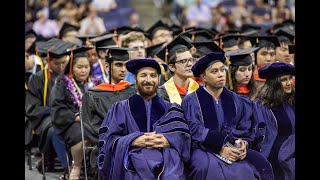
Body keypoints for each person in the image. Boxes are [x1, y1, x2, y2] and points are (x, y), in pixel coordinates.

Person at [181, 52, 274, 180]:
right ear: (204, 77)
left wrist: (243, 143)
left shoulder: (236, 99)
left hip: (233, 147)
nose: (220, 74)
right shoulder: (191, 100)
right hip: (203, 149)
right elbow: (194, 129)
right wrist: (219, 147)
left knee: (258, 165)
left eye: (222, 70)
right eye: (214, 71)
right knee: (206, 167)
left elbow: (244, 126)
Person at [97, 59, 191, 180]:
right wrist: (132, 141)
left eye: (153, 76)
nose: (148, 80)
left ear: (158, 79)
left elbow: (184, 137)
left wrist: (169, 140)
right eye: (143, 75)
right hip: (131, 163)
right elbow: (107, 141)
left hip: (167, 163)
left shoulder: (171, 109)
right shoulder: (120, 108)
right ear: (135, 78)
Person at [50, 46, 101, 180]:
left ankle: (95, 168)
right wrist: (75, 117)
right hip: (70, 122)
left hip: (91, 121)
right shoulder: (62, 83)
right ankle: (76, 167)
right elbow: (57, 107)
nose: (83, 70)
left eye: (86, 67)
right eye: (79, 67)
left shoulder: (95, 83)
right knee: (81, 135)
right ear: (71, 67)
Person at [25, 38, 75, 173]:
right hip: (47, 118)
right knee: (55, 130)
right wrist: (56, 112)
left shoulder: (71, 77)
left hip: (70, 116)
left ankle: (83, 165)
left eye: (64, 63)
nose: (60, 67)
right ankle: (69, 170)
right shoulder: (37, 79)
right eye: (56, 64)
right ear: (48, 61)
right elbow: (32, 108)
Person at [82, 47, 137, 145]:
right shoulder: (93, 95)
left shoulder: (133, 91)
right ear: (107, 66)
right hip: (107, 146)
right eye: (119, 65)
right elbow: (92, 128)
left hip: (134, 142)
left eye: (126, 65)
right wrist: (117, 141)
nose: (123, 70)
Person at [251, 62, 295, 180]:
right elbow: (265, 140)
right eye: (284, 79)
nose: (289, 83)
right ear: (274, 83)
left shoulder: (291, 101)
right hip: (279, 156)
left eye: (290, 78)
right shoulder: (261, 107)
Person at [156, 35, 199, 105]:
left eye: (191, 60)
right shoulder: (162, 93)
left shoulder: (199, 90)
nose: (190, 64)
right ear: (171, 67)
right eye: (183, 61)